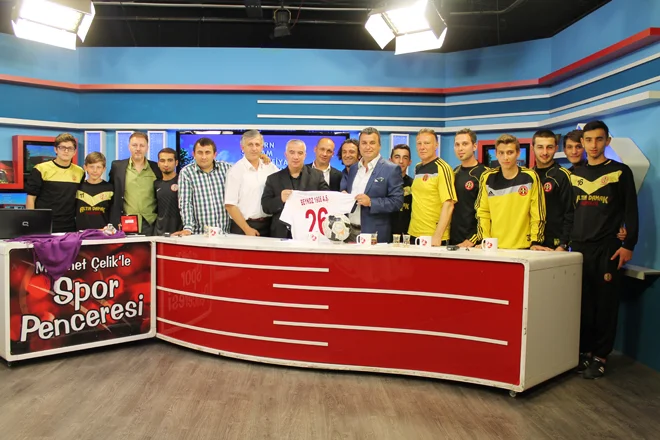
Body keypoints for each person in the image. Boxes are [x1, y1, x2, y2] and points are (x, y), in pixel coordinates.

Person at [570, 120, 638, 379]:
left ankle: (600, 356)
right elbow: (568, 213)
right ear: (582, 142)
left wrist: (628, 244)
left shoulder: (621, 172)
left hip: (608, 248)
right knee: (583, 304)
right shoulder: (574, 174)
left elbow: (631, 211)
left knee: (605, 305)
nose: (593, 145)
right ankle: (584, 352)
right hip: (578, 249)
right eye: (588, 140)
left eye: (599, 139)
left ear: (607, 141)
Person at [476, 134, 546, 250]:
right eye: (501, 153)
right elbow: (483, 212)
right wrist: (485, 240)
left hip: (524, 247)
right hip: (494, 247)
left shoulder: (530, 177)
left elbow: (537, 213)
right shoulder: (487, 177)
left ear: (518, 153)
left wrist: (535, 241)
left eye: (510, 152)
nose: (505, 157)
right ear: (496, 154)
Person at [341, 127, 403, 243]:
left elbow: (397, 202)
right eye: (364, 143)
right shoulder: (354, 169)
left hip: (374, 234)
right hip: (349, 232)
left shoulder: (391, 169)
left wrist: (371, 202)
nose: (368, 147)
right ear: (359, 146)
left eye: (372, 143)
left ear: (379, 146)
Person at [262, 140, 330, 238]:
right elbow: (266, 206)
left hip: (310, 233)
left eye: (300, 153)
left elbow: (327, 199)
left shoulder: (317, 176)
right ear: (286, 155)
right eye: (292, 152)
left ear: (305, 155)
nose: (296, 157)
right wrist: (280, 199)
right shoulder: (273, 179)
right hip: (282, 234)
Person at [25, 133, 85, 233]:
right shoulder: (40, 169)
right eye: (62, 147)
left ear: (74, 152)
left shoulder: (80, 172)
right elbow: (31, 198)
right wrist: (31, 221)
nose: (66, 151)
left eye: (70, 148)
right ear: (56, 149)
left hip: (69, 225)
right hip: (43, 223)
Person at [408, 128, 457, 246]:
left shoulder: (443, 168)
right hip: (414, 233)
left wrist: (437, 236)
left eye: (427, 143)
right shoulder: (417, 167)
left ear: (436, 145)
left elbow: (449, 204)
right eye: (419, 143)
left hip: (433, 236)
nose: (422, 147)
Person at [225, 130, 279, 236]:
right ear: (242, 147)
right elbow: (230, 205)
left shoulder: (270, 167)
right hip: (244, 228)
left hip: (269, 226)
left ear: (262, 147)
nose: (254, 148)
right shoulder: (235, 171)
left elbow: (283, 181)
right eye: (250, 144)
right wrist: (247, 229)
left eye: (257, 145)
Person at [174, 137, 232, 236]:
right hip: (199, 235)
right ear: (194, 154)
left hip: (226, 233)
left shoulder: (227, 169)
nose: (204, 157)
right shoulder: (186, 172)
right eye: (200, 153)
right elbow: (185, 203)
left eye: (207, 152)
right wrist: (188, 228)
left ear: (215, 154)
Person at [108, 132, 162, 235]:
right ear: (129, 147)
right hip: (125, 223)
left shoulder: (156, 168)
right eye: (134, 145)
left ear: (147, 148)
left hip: (151, 224)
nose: (138, 149)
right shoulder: (117, 167)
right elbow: (112, 194)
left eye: (142, 145)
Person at [532, 129, 573, 251]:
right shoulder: (527, 176)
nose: (545, 152)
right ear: (533, 148)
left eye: (549, 147)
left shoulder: (563, 176)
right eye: (540, 147)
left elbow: (570, 213)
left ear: (556, 148)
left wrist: (563, 244)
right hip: (531, 244)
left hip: (555, 245)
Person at [450, 128, 488, 247]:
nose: (460, 148)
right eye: (457, 145)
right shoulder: (454, 172)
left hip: (474, 242)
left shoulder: (485, 174)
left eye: (465, 144)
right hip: (452, 239)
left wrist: (473, 239)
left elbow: (488, 212)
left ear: (474, 146)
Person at [76, 152, 113, 230]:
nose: (95, 170)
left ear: (104, 169)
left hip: (103, 233)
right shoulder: (78, 187)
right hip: (81, 233)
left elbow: (113, 213)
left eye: (98, 167)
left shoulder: (110, 188)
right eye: (91, 167)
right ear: (85, 167)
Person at [154, 148, 182, 236]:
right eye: (162, 161)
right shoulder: (156, 184)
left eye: (170, 160)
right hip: (159, 233)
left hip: (180, 233)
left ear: (176, 163)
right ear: (158, 164)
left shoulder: (183, 182)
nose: (166, 164)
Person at [389, 144, 413, 236]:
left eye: (405, 158)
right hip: (386, 233)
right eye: (397, 157)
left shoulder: (414, 184)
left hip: (407, 234)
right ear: (390, 160)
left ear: (409, 162)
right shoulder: (382, 183)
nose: (401, 161)